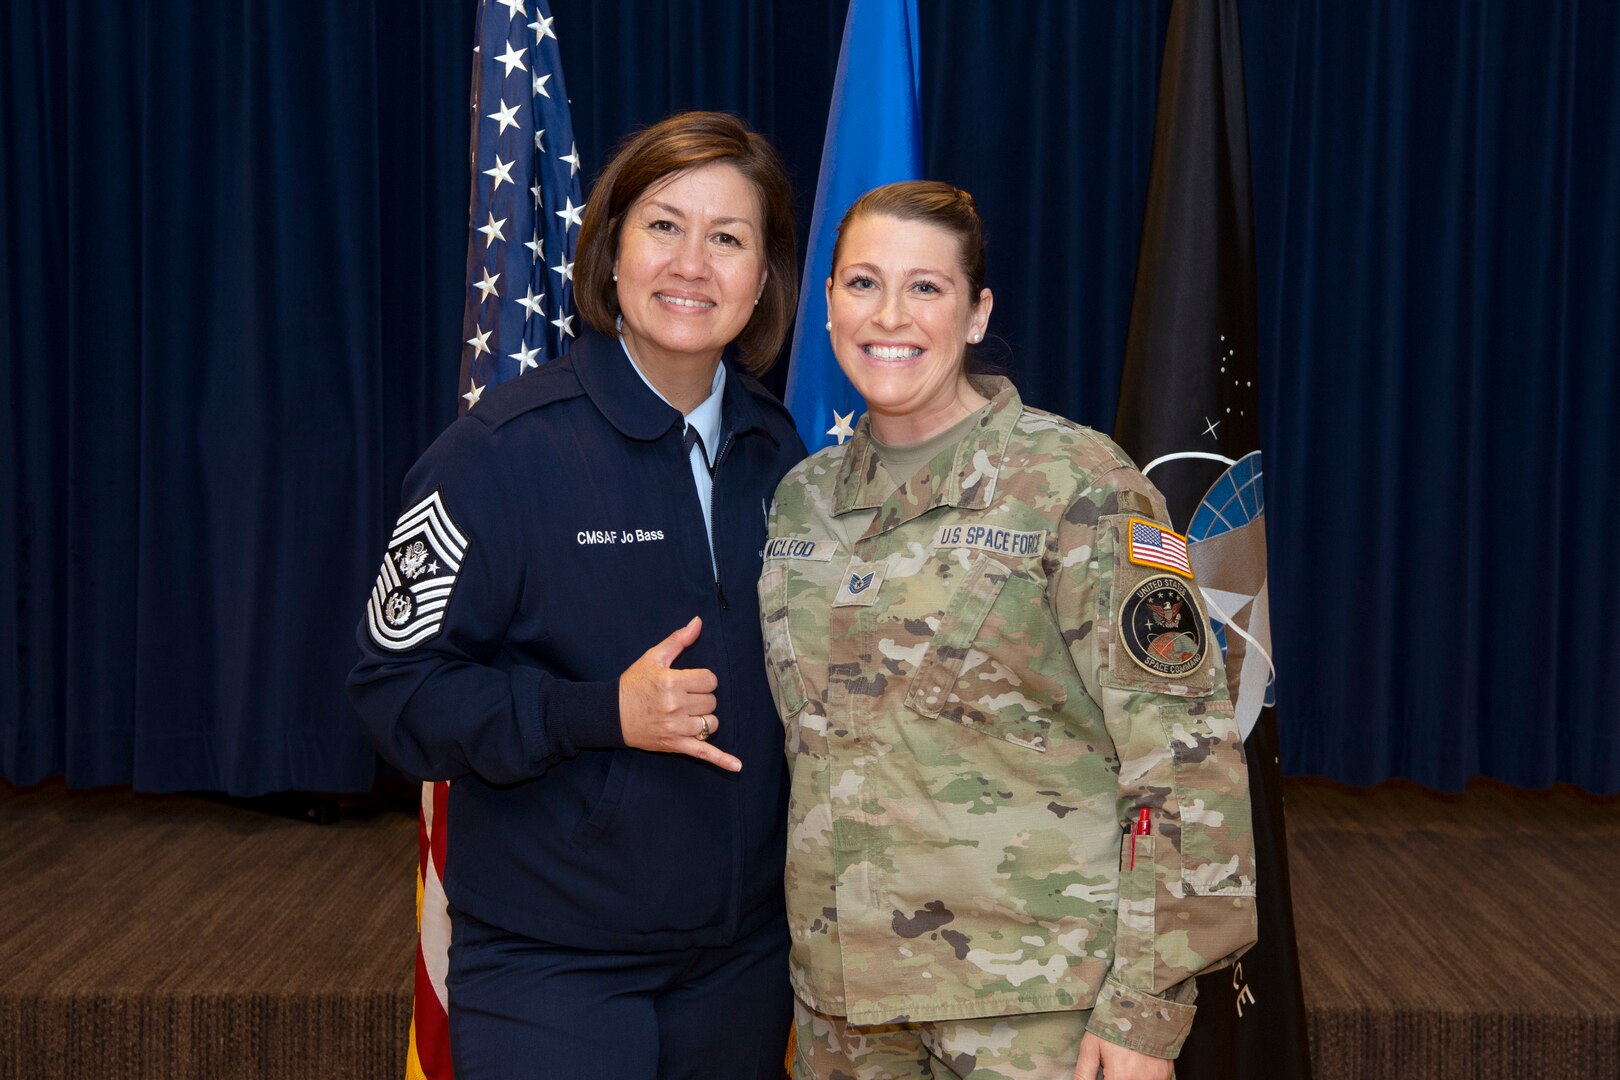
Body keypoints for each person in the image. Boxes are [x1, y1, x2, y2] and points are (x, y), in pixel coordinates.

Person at [758, 181, 1257, 1080]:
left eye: (927, 287)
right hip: (844, 1011)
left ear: (977, 314)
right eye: (863, 283)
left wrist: (1145, 1014)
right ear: (827, 302)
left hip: (1034, 1013)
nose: (890, 314)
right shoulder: (802, 499)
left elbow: (1185, 757)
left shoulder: (1080, 483)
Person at [349, 111, 807, 1080]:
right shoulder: (494, 459)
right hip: (552, 966)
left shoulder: (781, 456)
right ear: (607, 256)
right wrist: (596, 713)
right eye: (663, 226)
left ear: (763, 280)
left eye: (728, 238)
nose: (692, 263)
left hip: (743, 964)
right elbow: (395, 694)